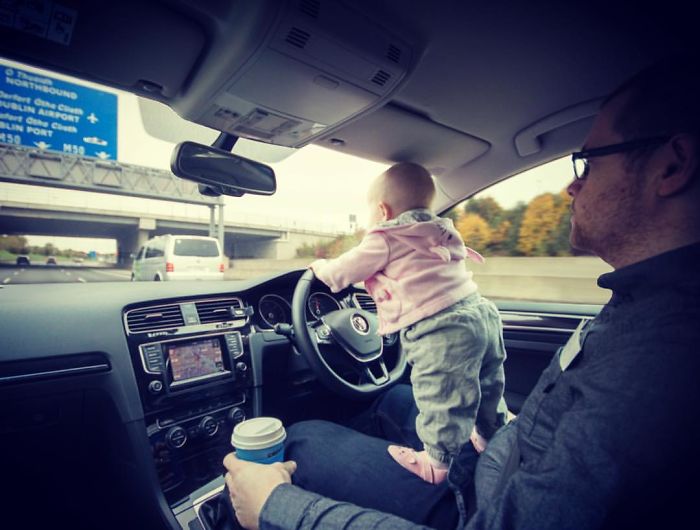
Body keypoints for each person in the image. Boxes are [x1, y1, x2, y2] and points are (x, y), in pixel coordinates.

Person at [223, 55, 700, 530]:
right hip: (485, 353)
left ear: (672, 166)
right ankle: (481, 433)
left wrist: (275, 505)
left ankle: (435, 461)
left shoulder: (657, 361)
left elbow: (342, 272)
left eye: (589, 163)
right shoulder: (642, 308)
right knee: (411, 397)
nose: (572, 186)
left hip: (483, 504)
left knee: (301, 440)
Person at [308, 161, 508, 485]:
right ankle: (490, 435)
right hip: (481, 313)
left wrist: (320, 267)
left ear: (383, 211)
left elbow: (343, 272)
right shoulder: (441, 231)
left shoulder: (386, 236)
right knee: (488, 382)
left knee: (440, 394)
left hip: (442, 328)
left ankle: (437, 463)